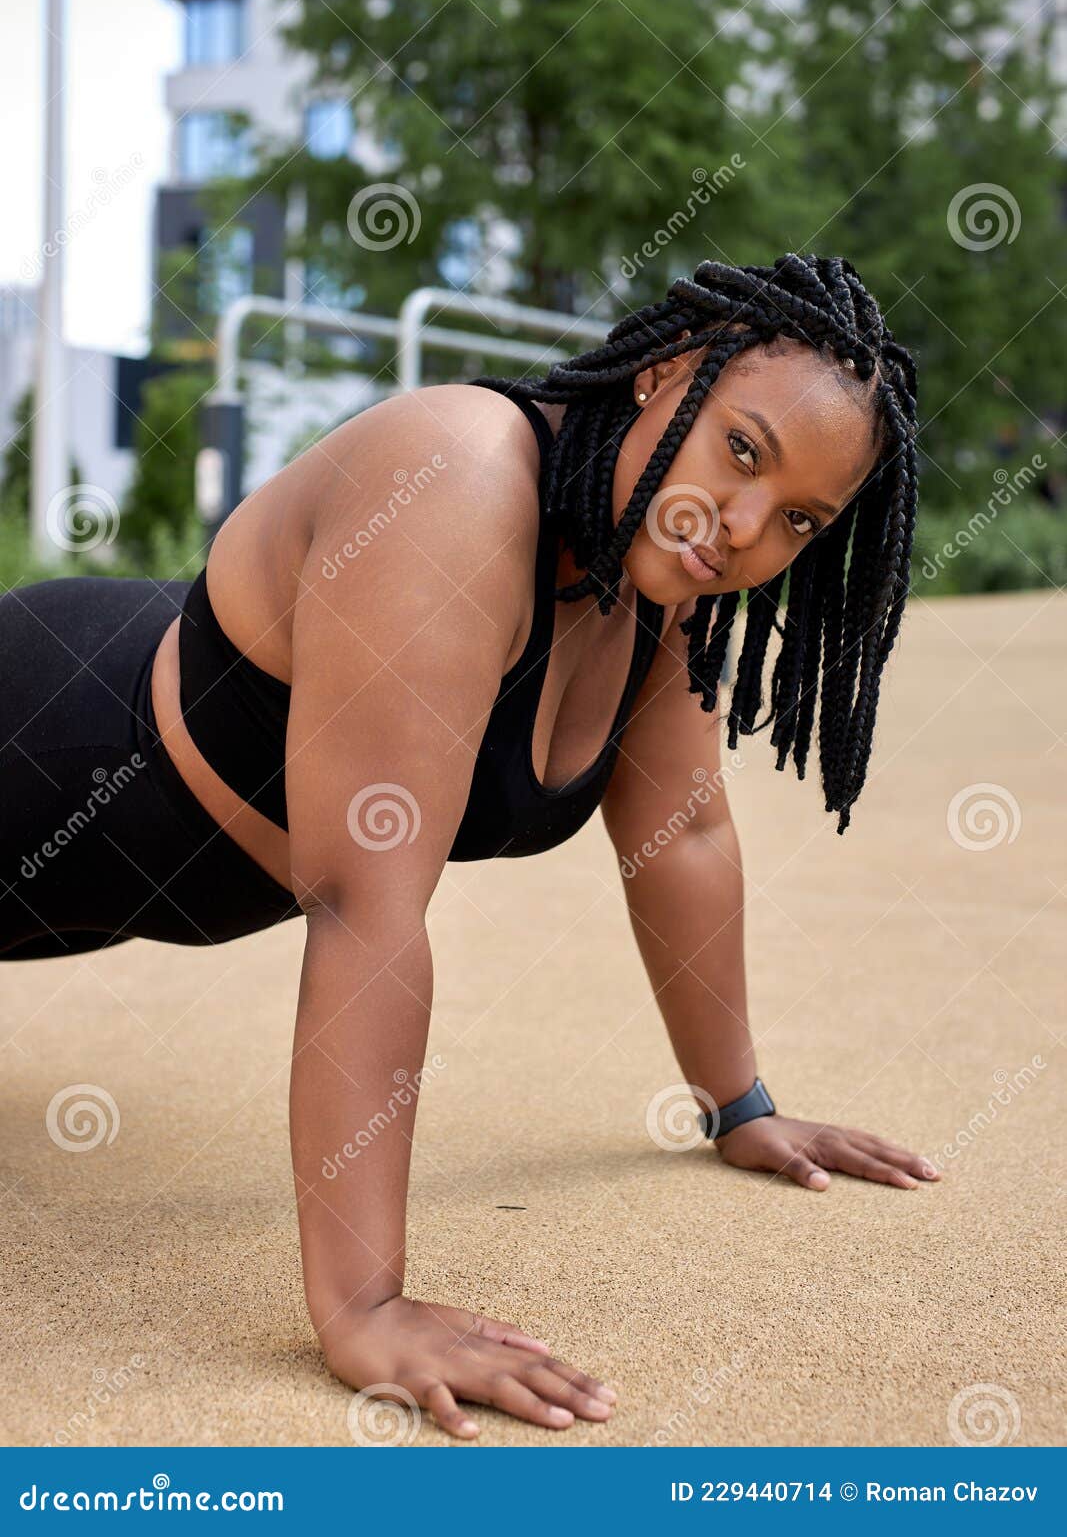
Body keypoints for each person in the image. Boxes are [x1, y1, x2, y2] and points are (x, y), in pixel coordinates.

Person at [0, 254, 939, 1439]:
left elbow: (683, 831)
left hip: (115, 888)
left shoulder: (660, 573)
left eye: (799, 516)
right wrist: (361, 1304)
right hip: (40, 749)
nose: (745, 526)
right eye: (740, 449)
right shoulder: (455, 478)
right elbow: (365, 906)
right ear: (661, 375)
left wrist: (736, 1103)